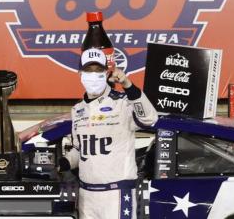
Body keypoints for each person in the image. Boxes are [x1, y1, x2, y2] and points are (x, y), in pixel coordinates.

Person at [60, 48, 159, 219]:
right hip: (87, 194)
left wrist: (128, 85)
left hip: (117, 193)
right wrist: (66, 162)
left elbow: (150, 119)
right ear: (79, 74)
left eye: (98, 70)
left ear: (107, 73)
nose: (93, 74)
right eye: (88, 70)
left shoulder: (122, 102)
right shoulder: (77, 109)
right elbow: (79, 148)